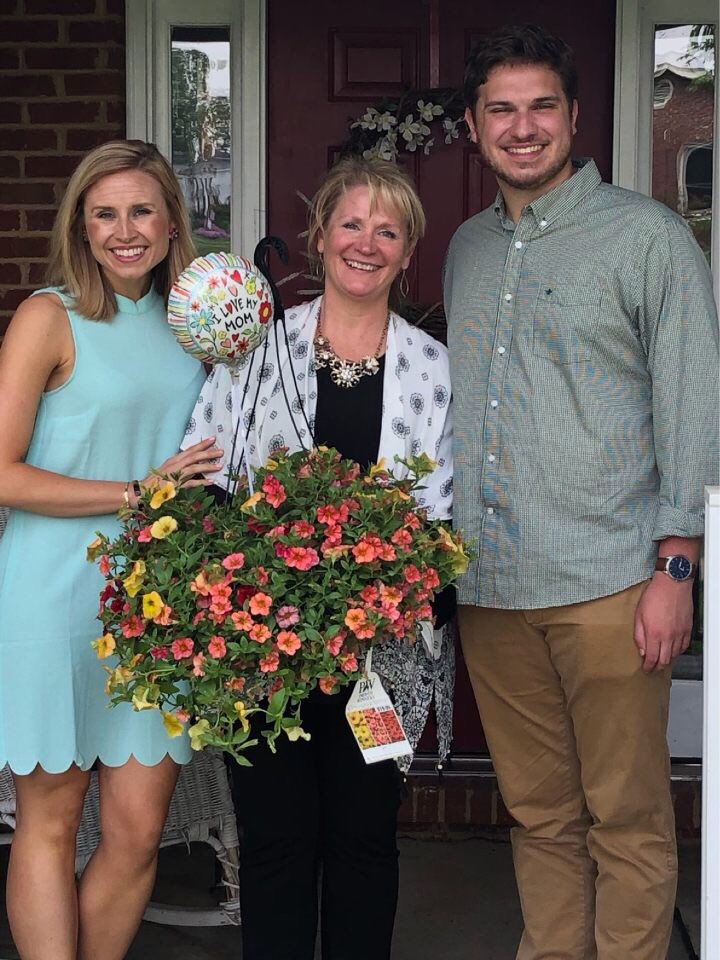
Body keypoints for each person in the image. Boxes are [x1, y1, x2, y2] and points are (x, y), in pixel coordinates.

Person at [443, 23, 719, 960]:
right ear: (475, 129)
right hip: (491, 586)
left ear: (573, 116)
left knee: (630, 817)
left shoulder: (647, 239)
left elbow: (691, 405)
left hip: (611, 581)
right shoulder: (468, 249)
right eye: (501, 111)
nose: (523, 128)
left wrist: (677, 567)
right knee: (539, 815)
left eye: (541, 107)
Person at [184, 156, 454, 959]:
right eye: (351, 224)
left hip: (385, 654)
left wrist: (393, 602)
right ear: (319, 236)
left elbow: (442, 518)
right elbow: (203, 485)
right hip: (264, 647)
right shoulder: (256, 355)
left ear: (407, 254)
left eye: (388, 230)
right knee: (274, 846)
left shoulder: (433, 370)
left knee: (366, 846)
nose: (366, 243)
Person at [0, 139, 223, 960]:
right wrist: (139, 493)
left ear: (172, 225)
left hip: (159, 602)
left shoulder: (196, 326)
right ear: (82, 228)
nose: (124, 230)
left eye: (140, 211)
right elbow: (2, 473)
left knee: (137, 833)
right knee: (51, 823)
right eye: (105, 214)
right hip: (51, 593)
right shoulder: (48, 315)